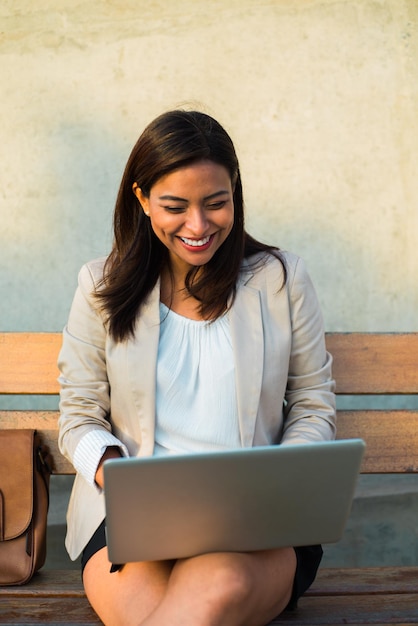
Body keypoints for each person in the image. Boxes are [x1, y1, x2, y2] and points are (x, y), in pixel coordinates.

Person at [58, 109, 336, 626]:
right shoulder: (100, 285)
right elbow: (78, 415)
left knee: (214, 590)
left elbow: (313, 402)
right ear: (141, 200)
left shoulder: (279, 279)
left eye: (216, 203)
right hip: (131, 525)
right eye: (175, 206)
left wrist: (279, 477)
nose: (198, 226)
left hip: (256, 525)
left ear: (235, 193)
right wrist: (116, 473)